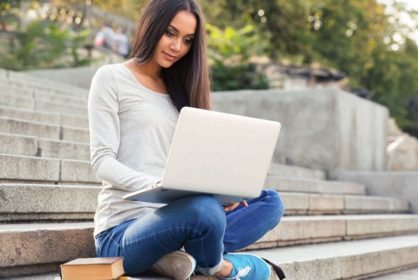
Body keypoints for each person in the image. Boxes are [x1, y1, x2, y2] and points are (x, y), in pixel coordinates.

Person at [88, 0, 285, 279]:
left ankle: (179, 257)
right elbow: (102, 162)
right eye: (170, 33)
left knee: (269, 202)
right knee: (203, 212)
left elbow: (196, 165)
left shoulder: (183, 91)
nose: (177, 47)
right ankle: (220, 267)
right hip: (123, 231)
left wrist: (223, 193)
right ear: (151, 26)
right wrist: (157, 186)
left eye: (187, 40)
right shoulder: (111, 78)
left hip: (182, 216)